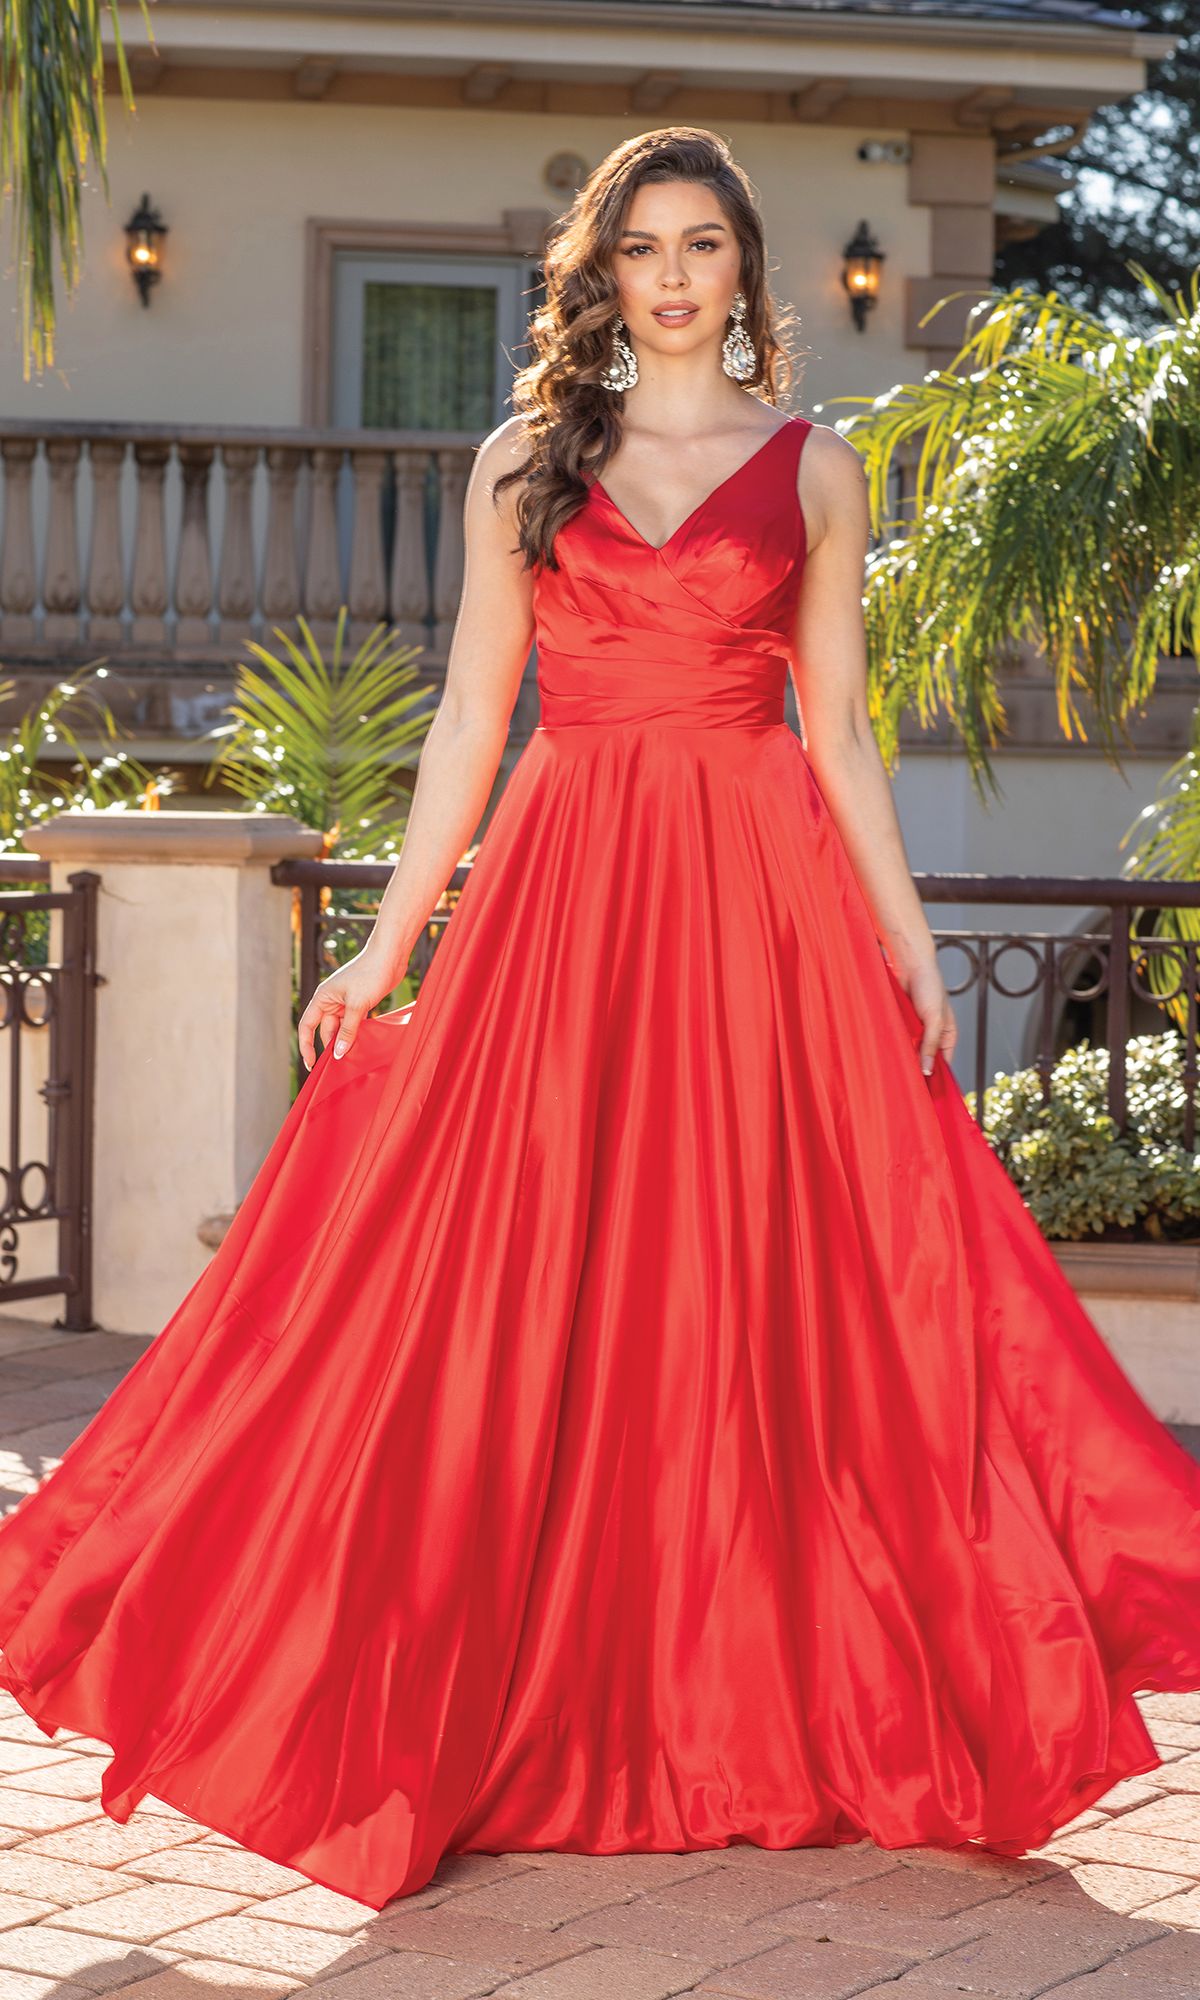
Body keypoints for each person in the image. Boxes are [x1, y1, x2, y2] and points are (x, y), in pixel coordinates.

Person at [0, 125, 1197, 1916]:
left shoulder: (817, 468)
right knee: (515, 1267)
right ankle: (482, 1679)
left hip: (757, 887)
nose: (670, 272)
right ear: (602, 268)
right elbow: (472, 727)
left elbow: (844, 732)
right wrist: (388, 946)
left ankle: (772, 1697)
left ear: (745, 271)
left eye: (702, 243)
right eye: (641, 243)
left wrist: (905, 946)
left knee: (768, 1277)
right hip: (566, 889)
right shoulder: (522, 466)